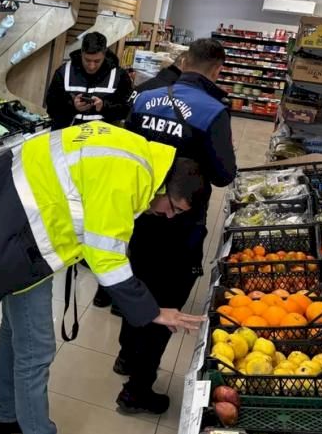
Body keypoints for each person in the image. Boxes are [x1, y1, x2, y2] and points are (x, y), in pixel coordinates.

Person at [0, 121, 208, 434]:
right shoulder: (127, 179)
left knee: (14, 332)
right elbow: (106, 257)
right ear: (166, 185)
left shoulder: (141, 154)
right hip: (20, 229)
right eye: (174, 207)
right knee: (37, 350)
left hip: (9, 202)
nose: (169, 216)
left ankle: (6, 416)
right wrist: (152, 311)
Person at [113, 38, 237, 415]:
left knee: (135, 280)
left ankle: (125, 356)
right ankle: (137, 389)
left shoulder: (145, 96)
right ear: (216, 70)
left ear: (184, 61)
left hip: (140, 211)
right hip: (180, 222)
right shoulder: (213, 110)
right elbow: (223, 174)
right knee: (167, 302)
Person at [93, 51, 189, 311]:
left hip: (127, 170)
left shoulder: (144, 89)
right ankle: (126, 298)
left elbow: (128, 123)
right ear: (185, 67)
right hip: (155, 178)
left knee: (118, 235)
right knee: (137, 242)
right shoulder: (177, 95)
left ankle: (104, 294)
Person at [44, 32, 133, 130]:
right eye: (87, 60)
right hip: (67, 136)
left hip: (101, 140)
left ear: (104, 54)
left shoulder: (119, 75)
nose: (91, 66)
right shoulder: (64, 72)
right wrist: (72, 105)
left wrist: (103, 106)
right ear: (81, 53)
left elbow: (127, 110)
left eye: (97, 61)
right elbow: (51, 107)